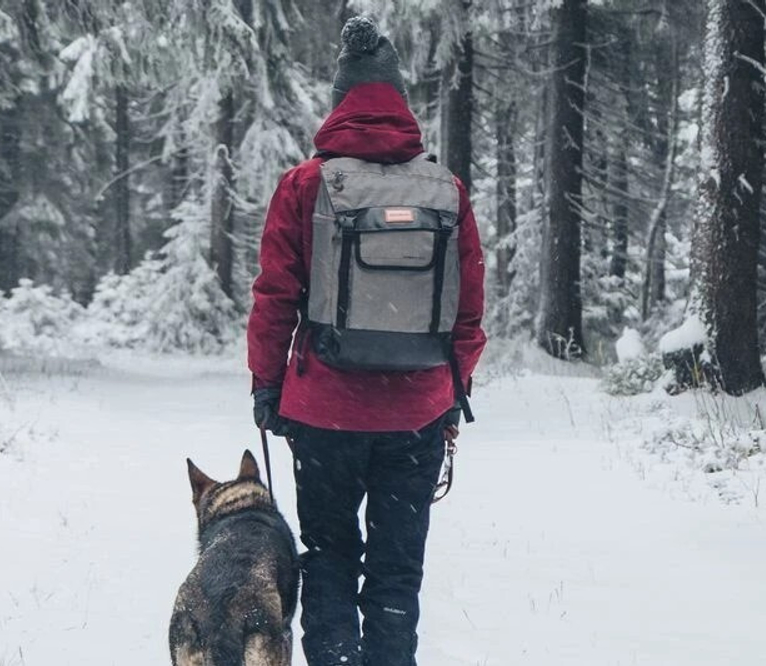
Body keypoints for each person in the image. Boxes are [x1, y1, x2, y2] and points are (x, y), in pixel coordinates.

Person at [247, 16, 486, 666]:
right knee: (396, 571)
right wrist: (449, 393)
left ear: (338, 104)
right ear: (401, 105)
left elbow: (273, 298)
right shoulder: (446, 190)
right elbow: (469, 312)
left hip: (323, 413)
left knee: (327, 555)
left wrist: (266, 387)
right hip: (416, 417)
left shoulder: (304, 186)